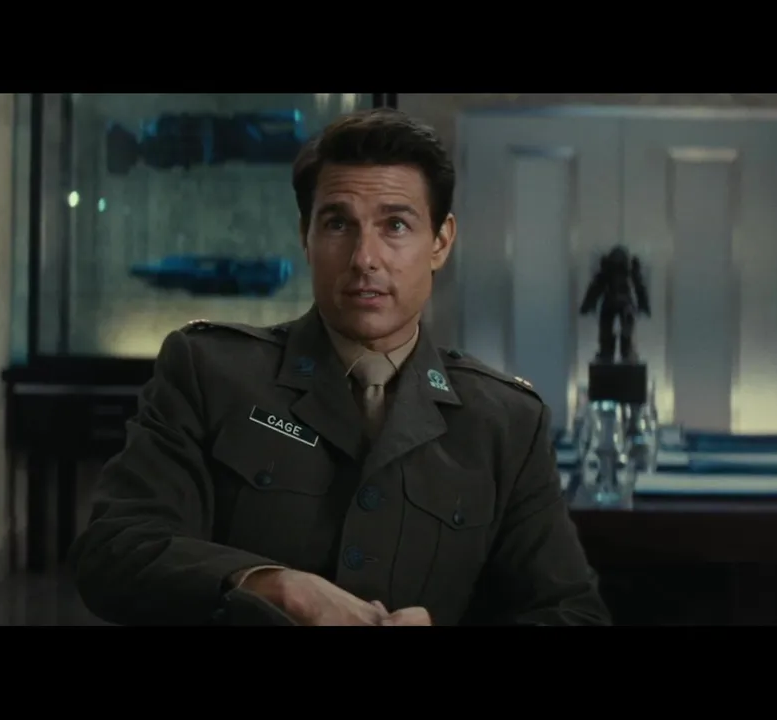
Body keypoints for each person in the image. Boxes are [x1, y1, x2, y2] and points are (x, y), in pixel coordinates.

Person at [69, 108, 610, 627]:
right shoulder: (211, 373)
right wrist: (271, 585)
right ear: (305, 236)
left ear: (440, 242)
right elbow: (116, 550)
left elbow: (571, 612)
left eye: (395, 225)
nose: (364, 258)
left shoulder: (506, 422)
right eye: (337, 224)